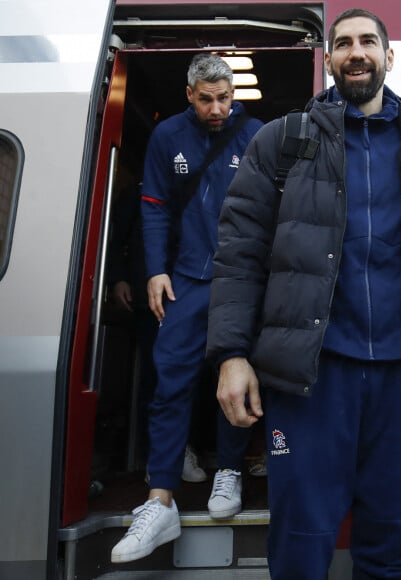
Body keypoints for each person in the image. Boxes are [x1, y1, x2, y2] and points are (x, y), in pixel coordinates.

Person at [206, 9, 401, 580]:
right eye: (342, 43)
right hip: (312, 380)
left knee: (392, 538)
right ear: (329, 59)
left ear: (388, 57)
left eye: (368, 41)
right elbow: (239, 253)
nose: (356, 52)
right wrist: (232, 353)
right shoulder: (283, 142)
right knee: (300, 537)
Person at [111, 53, 264, 564]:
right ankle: (161, 499)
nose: (218, 108)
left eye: (225, 98)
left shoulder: (257, 134)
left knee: (234, 379)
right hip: (186, 279)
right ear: (189, 95)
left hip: (240, 281)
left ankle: (231, 472)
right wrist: (155, 270)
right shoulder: (167, 137)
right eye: (207, 99)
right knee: (170, 379)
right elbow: (153, 207)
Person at [107, 181, 207, 481]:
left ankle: (185, 448)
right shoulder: (139, 190)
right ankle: (157, 455)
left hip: (194, 287)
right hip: (150, 293)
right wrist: (117, 277)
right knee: (156, 375)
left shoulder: (208, 181)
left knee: (198, 374)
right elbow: (115, 236)